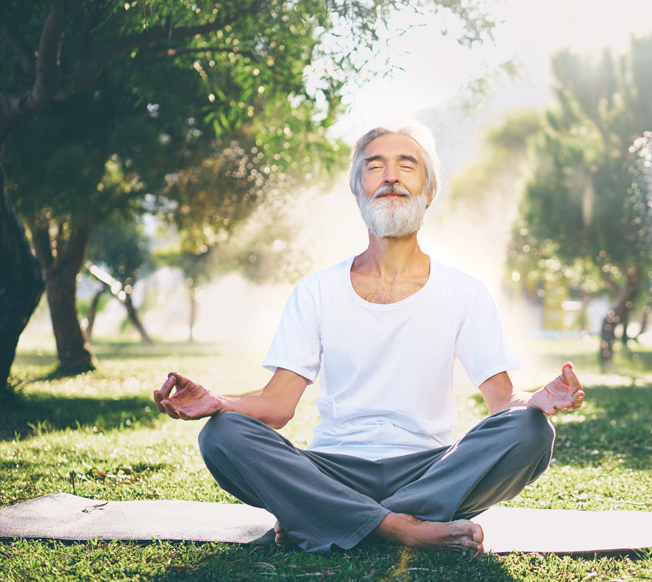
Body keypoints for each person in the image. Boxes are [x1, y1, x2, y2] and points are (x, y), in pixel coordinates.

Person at [153, 121, 585, 554]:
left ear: (429, 192)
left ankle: (324, 518)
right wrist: (219, 403)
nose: (391, 176)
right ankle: (403, 529)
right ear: (359, 191)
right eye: (375, 167)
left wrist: (536, 402)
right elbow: (278, 405)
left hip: (430, 471)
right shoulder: (316, 290)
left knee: (531, 431)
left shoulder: (464, 291)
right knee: (222, 435)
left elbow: (501, 404)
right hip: (332, 469)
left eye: (406, 166)